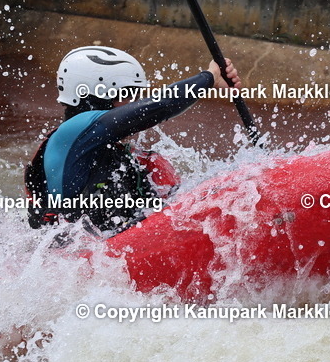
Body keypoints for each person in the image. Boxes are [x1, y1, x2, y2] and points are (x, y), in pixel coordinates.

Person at [24, 45, 241, 234]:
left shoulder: (109, 148)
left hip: (116, 247)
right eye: (126, 94)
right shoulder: (72, 132)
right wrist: (209, 77)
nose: (132, 103)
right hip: (77, 256)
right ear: (97, 94)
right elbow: (156, 107)